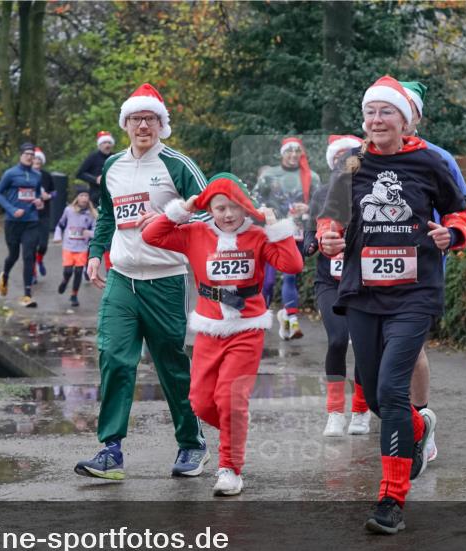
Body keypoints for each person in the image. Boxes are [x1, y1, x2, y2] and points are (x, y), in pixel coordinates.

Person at [320, 76, 466, 535]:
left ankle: (390, 499)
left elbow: (459, 210)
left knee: (389, 390)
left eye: (386, 112)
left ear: (404, 120)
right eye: (370, 113)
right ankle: (419, 431)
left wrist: (454, 234)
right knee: (383, 399)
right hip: (362, 294)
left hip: (414, 293)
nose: (377, 120)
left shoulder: (429, 161)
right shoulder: (350, 165)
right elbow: (331, 217)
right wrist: (329, 238)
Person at [74, 83, 210, 481]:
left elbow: (207, 215)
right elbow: (106, 218)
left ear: (161, 124)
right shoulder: (112, 165)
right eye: (135, 119)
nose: (143, 126)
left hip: (166, 281)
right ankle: (110, 451)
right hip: (122, 278)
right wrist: (96, 253)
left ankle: (192, 444)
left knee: (172, 366)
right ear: (125, 124)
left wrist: (170, 218)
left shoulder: (178, 165)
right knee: (114, 358)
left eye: (150, 119)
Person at [142, 173, 303, 495]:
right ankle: (236, 427)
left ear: (245, 208)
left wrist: (275, 227)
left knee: (231, 400)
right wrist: (183, 209)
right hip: (208, 328)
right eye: (219, 208)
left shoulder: (257, 237)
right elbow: (151, 236)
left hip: (247, 329)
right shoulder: (194, 233)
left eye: (233, 207)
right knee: (200, 402)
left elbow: (293, 265)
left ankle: (230, 468)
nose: (228, 215)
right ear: (209, 210)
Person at [399, 80, 466, 463]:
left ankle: (420, 418)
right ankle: (404, 418)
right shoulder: (361, 157)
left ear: (416, 118)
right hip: (369, 272)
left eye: (404, 110)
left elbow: (462, 207)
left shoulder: (438, 157)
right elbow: (339, 204)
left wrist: (450, 233)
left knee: (411, 348)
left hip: (421, 267)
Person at [305, 135, 373, 437]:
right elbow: (309, 233)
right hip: (329, 281)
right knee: (337, 340)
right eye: (339, 160)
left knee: (362, 345)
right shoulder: (321, 194)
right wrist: (311, 245)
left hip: (361, 280)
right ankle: (335, 412)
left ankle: (361, 408)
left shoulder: (369, 191)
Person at [254, 137, 321, 340]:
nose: (293, 155)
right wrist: (266, 212)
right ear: (281, 153)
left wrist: (308, 208)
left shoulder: (313, 177)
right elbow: (255, 200)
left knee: (290, 276)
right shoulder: (269, 175)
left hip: (297, 232)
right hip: (273, 232)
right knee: (268, 280)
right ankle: (260, 318)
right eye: (288, 152)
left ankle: (291, 320)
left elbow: (321, 202)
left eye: (296, 152)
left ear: (301, 154)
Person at [0, 142, 44, 308]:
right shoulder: (10, 174)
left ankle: (27, 295)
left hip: (31, 221)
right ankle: (5, 275)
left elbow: (37, 195)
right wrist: (11, 209)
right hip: (13, 222)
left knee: (29, 256)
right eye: (27, 154)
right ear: (21, 155)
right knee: (13, 255)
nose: (30, 157)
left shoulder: (37, 175)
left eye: (32, 155)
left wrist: (38, 202)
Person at [53, 185, 96, 308]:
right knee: (68, 271)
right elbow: (59, 225)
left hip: (82, 247)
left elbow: (96, 230)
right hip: (69, 246)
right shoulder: (69, 210)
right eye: (81, 195)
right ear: (77, 198)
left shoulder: (92, 214)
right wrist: (57, 236)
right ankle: (65, 281)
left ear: (89, 198)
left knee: (78, 272)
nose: (84, 198)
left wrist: (89, 233)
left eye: (86, 196)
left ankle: (74, 295)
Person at [32, 147, 56, 284]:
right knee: (30, 246)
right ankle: (32, 273)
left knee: (43, 245)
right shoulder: (26, 175)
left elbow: (55, 193)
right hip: (29, 215)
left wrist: (49, 196)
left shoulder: (46, 176)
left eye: (39, 159)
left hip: (44, 215)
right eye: (35, 159)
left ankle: (40, 260)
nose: (37, 161)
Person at [76, 131, 115, 208]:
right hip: (96, 196)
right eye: (104, 143)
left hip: (113, 194)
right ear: (99, 145)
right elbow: (80, 174)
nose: (107, 145)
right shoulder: (93, 157)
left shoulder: (114, 157)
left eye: (109, 143)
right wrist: (95, 179)